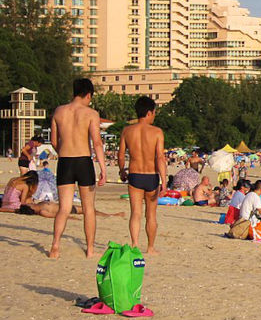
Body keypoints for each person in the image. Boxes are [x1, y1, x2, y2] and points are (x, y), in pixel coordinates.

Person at [49, 78, 107, 259]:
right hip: (83, 161)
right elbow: (97, 142)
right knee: (88, 208)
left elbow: (53, 141)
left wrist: (63, 151)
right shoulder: (91, 113)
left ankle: (55, 246)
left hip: (65, 161)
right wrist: (103, 169)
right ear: (88, 94)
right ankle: (89, 250)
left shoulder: (59, 111)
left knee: (64, 208)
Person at [117, 95, 166, 255]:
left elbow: (121, 154)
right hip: (151, 175)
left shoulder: (127, 131)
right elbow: (160, 157)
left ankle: (135, 244)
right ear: (150, 112)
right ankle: (150, 247)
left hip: (135, 175)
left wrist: (122, 170)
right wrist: (164, 181)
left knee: (135, 213)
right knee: (151, 214)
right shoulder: (157, 132)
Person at [2, 171, 123, 219]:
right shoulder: (41, 210)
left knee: (87, 210)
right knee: (87, 210)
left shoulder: (38, 205)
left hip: (8, 203)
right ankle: (110, 215)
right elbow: (55, 215)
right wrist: (72, 218)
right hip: (66, 209)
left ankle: (110, 214)